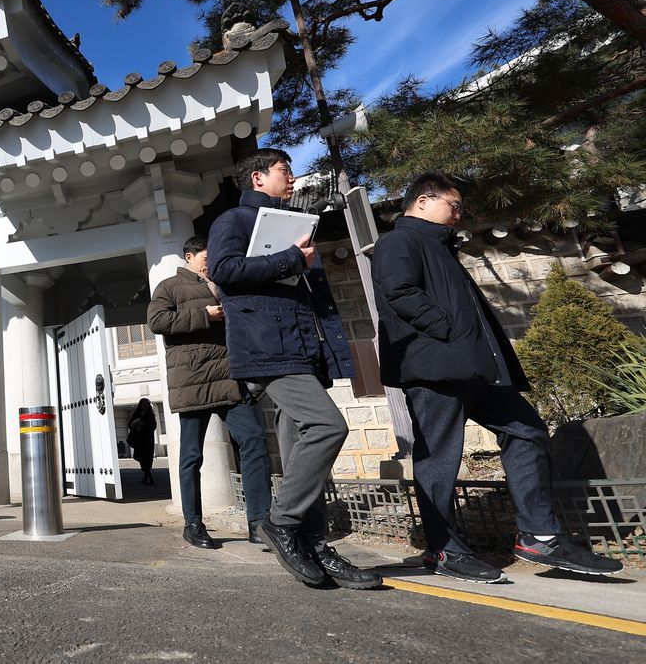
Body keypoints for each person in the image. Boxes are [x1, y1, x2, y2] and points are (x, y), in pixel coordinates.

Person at [372, 172, 623, 582]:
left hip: (474, 368)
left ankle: (539, 535)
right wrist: (449, 330)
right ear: (422, 201)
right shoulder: (400, 241)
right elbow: (398, 293)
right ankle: (444, 550)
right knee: (439, 459)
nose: (459, 214)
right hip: (436, 369)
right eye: (453, 205)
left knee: (527, 431)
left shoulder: (440, 247)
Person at [207, 147, 382, 589]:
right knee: (327, 427)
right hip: (268, 347)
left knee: (302, 448)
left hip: (301, 346)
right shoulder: (233, 221)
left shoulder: (297, 222)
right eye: (285, 171)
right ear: (257, 178)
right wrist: (289, 258)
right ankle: (281, 523)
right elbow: (225, 272)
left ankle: (317, 546)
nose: (292, 178)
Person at [148, 235, 273, 550]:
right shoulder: (169, 287)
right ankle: (193, 524)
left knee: (255, 442)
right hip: (194, 378)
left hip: (231, 376)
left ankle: (259, 523)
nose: (211, 258)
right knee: (191, 455)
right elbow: (157, 321)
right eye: (207, 253)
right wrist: (206, 314)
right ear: (189, 256)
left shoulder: (226, 282)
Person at [127, 398, 159, 485]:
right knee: (142, 457)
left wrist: (144, 424)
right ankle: (147, 477)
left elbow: (153, 425)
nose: (145, 405)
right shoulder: (137, 413)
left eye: (147, 403)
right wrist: (136, 422)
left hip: (148, 439)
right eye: (144, 403)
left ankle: (148, 477)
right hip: (140, 440)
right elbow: (130, 424)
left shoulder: (150, 414)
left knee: (147, 458)